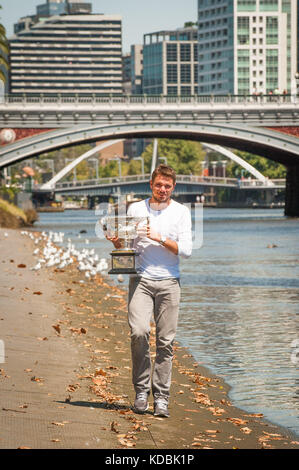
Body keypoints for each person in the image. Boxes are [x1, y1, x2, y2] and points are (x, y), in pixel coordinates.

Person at [106, 164, 192, 418]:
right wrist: (117, 241)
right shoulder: (135, 209)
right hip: (141, 280)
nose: (162, 189)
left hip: (169, 283)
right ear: (151, 185)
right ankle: (141, 391)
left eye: (167, 186)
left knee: (165, 343)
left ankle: (162, 398)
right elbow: (127, 246)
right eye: (158, 185)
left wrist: (159, 237)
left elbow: (186, 250)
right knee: (139, 332)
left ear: (173, 187)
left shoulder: (182, 212)